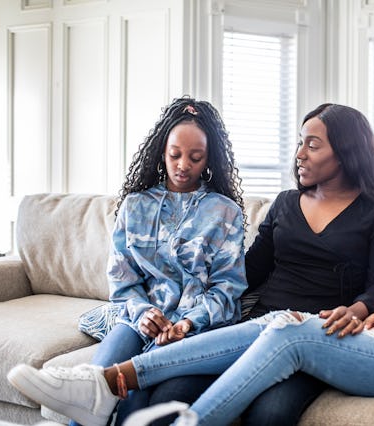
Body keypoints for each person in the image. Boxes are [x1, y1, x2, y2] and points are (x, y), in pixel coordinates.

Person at [8, 103, 374, 426]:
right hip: (259, 324)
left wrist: (356, 311)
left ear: (347, 150)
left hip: (315, 330)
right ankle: (97, 390)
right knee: (168, 395)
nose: (299, 153)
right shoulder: (286, 203)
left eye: (312, 145)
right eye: (300, 143)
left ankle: (100, 385)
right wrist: (195, 304)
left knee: (270, 413)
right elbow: (247, 271)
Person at [70, 96, 248, 425]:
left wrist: (188, 322)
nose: (183, 165)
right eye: (175, 155)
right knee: (92, 386)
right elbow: (122, 280)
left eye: (196, 158)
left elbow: (227, 290)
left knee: (135, 403)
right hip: (138, 319)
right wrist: (143, 311)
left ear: (209, 159)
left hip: (193, 329)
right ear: (161, 153)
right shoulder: (135, 206)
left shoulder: (225, 213)